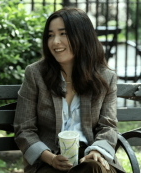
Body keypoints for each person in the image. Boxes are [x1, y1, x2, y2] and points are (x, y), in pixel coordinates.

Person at [13, 7, 126, 173]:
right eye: (50, 35)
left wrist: (95, 151)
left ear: (82, 35)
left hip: (89, 156)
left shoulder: (105, 77)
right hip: (49, 158)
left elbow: (108, 126)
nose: (55, 41)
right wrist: (50, 158)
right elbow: (24, 128)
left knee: (93, 168)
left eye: (63, 33)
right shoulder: (35, 74)